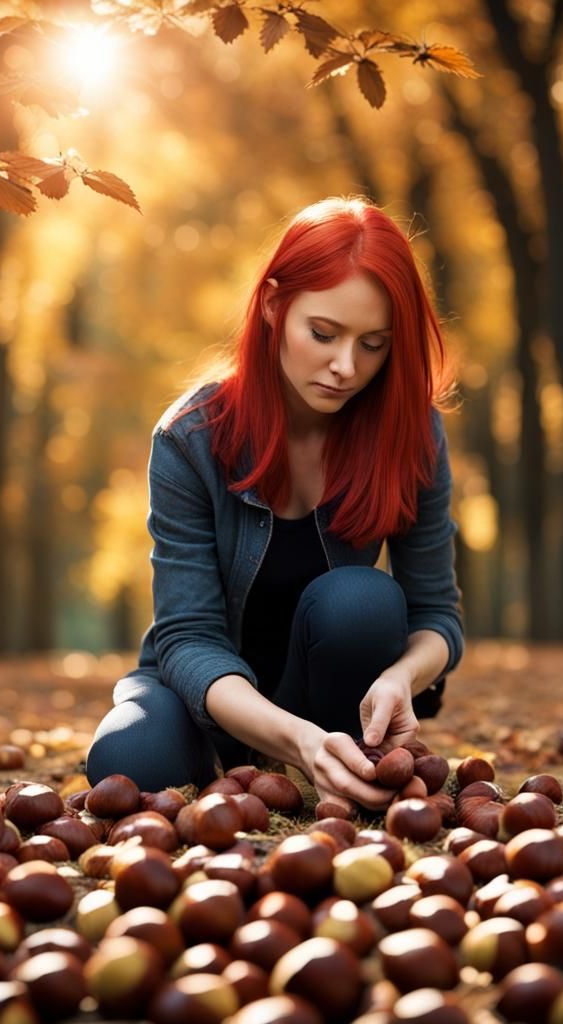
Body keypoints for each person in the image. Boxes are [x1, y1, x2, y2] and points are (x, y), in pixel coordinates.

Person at [86, 196, 464, 813]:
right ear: (272, 306)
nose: (345, 367)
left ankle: (322, 760)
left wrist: (401, 679)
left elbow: (436, 617)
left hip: (329, 697)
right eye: (323, 334)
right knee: (133, 762)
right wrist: (296, 740)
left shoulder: (411, 432)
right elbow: (186, 637)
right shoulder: (190, 438)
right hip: (205, 694)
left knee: (364, 603)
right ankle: (258, 762)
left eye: (373, 344)